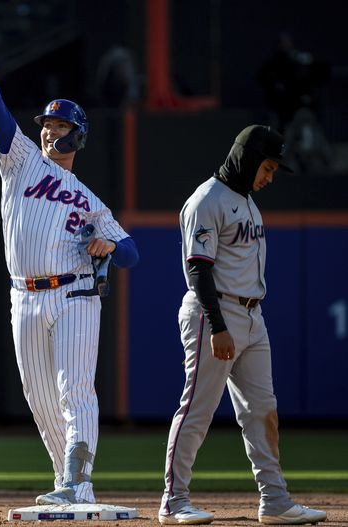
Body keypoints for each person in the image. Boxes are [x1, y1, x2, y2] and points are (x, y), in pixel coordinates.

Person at [0, 24, 139, 506]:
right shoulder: (20, 162)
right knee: (39, 396)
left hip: (74, 293)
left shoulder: (90, 202)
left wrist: (108, 247)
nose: (48, 131)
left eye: (59, 126)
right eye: (46, 124)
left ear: (77, 137)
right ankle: (68, 484)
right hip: (23, 294)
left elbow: (132, 253)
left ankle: (78, 484)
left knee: (75, 390)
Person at [159, 125, 327, 525]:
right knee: (198, 410)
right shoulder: (207, 199)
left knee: (262, 410)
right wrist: (217, 326)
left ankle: (275, 501)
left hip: (253, 315)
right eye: (267, 167)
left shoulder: (247, 201)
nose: (269, 177)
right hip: (214, 313)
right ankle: (173, 500)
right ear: (247, 158)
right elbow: (198, 268)